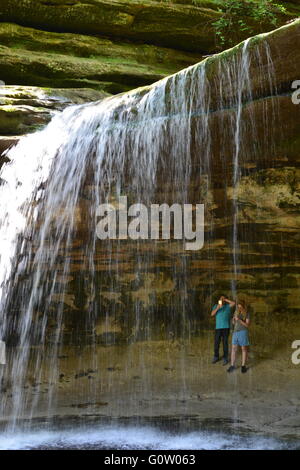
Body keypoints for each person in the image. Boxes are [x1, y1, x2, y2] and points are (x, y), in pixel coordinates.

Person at [211, 295, 235, 365]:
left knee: (225, 343)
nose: (222, 299)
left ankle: (225, 357)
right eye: (221, 298)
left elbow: (233, 303)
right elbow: (212, 314)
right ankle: (216, 356)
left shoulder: (227, 306)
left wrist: (226, 299)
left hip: (226, 327)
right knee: (216, 342)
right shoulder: (216, 306)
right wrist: (218, 307)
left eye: (223, 298)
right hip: (218, 328)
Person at [227, 300, 250, 374]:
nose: (238, 308)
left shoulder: (247, 313)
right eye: (238, 306)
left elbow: (247, 325)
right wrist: (233, 320)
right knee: (233, 349)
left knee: (243, 348)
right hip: (235, 332)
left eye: (240, 306)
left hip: (243, 332)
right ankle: (232, 365)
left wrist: (239, 320)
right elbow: (234, 323)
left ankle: (243, 366)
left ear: (243, 306)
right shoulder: (236, 312)